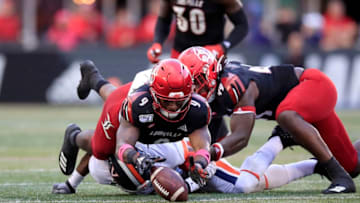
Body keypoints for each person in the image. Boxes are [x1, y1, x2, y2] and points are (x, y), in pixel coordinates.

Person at [177, 46, 358, 194]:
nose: (194, 90)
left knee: (286, 115)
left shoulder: (232, 84)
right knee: (351, 164)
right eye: (189, 85)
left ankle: (340, 177)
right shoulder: (214, 94)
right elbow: (213, 137)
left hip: (313, 86)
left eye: (198, 82)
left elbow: (241, 137)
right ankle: (337, 169)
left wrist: (210, 153)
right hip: (301, 108)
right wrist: (203, 156)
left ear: (210, 73)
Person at [53, 59, 212, 194]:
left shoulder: (198, 110)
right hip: (125, 108)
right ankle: (74, 136)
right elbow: (122, 146)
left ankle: (93, 77)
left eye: (180, 101)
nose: (173, 108)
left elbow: (203, 147)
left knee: (115, 96)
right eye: (167, 101)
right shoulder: (139, 106)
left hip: (137, 103)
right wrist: (136, 158)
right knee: (101, 149)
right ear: (154, 95)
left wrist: (199, 165)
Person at [147, 0, 249, 63]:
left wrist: (223, 46)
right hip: (180, 53)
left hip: (211, 55)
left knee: (214, 95)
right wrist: (157, 43)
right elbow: (163, 20)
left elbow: (242, 25)